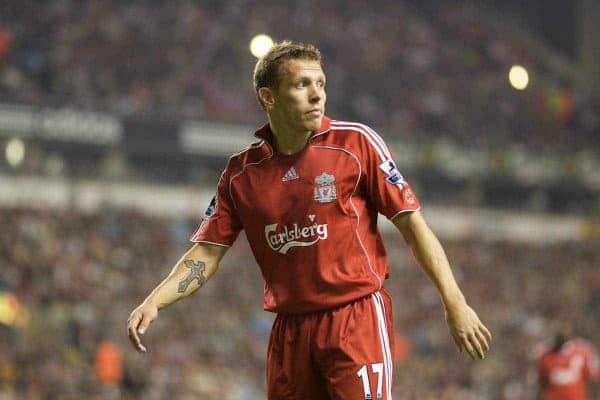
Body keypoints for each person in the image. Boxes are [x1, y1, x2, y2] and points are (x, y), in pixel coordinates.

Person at [127, 41, 492, 399]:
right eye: (302, 85)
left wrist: (454, 303)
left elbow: (413, 227)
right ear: (268, 97)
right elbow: (206, 254)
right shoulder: (241, 174)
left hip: (355, 317)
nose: (317, 95)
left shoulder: (356, 144)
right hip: (290, 332)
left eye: (320, 84)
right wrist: (154, 301)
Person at [538, 331, 599, 400]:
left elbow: (592, 375)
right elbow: (543, 380)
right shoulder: (547, 356)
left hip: (573, 396)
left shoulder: (581, 351)